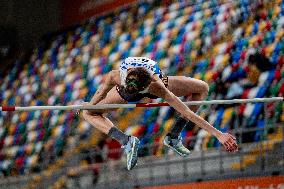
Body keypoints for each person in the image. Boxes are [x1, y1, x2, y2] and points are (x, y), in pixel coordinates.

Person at [82, 57, 238, 170]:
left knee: (202, 88)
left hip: (141, 90)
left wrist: (89, 107)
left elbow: (187, 112)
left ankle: (172, 136)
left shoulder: (155, 85)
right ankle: (127, 141)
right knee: (203, 87)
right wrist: (89, 106)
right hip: (129, 91)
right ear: (125, 81)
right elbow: (100, 94)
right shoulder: (120, 77)